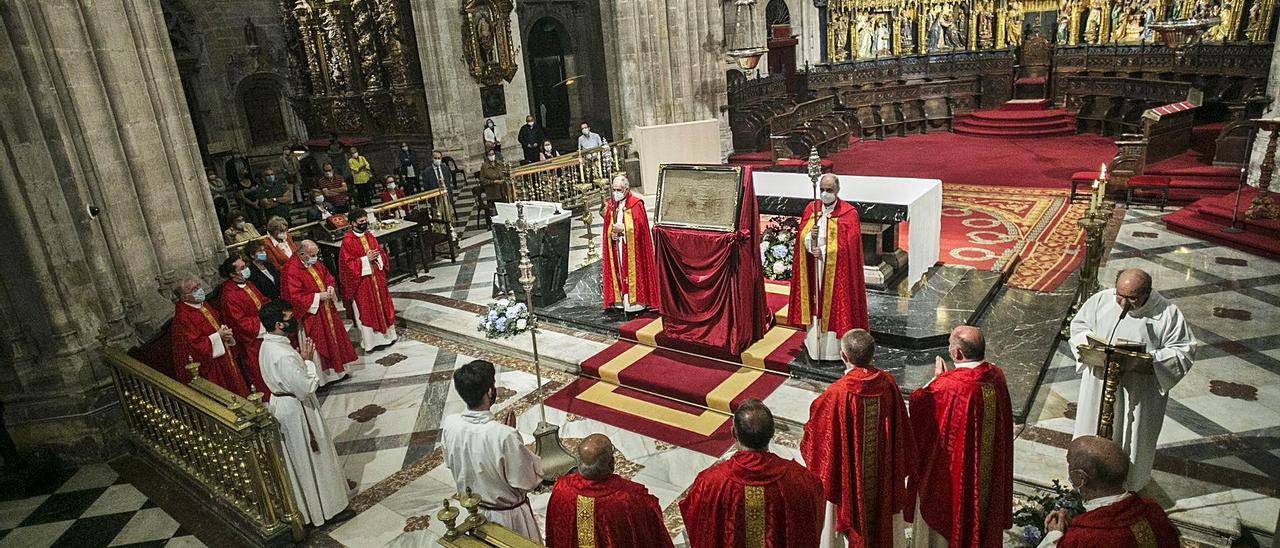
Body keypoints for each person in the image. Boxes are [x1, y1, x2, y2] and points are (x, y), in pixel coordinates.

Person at [1068, 268, 1195, 491]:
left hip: (1138, 390)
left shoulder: (1167, 313)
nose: (1123, 303)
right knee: (1092, 425)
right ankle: (1085, 477)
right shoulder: (1101, 300)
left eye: (1132, 298)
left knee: (1132, 436)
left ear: (1147, 292)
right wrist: (1088, 346)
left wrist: (1150, 359)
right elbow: (1079, 327)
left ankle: (1130, 485)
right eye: (1120, 294)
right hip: (1099, 378)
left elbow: (1183, 351)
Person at [802, 329, 913, 548]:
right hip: (883, 476)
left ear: (844, 356)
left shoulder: (836, 394)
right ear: (873, 355)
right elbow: (903, 432)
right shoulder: (888, 384)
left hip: (848, 482)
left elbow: (816, 438)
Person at [908, 326, 1013, 548]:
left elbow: (918, 403)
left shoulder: (947, 386)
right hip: (987, 474)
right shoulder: (997, 375)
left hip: (953, 482)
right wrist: (944, 379)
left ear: (957, 354)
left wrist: (937, 381)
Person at [257, 300, 353, 526]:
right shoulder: (282, 354)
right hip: (298, 410)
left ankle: (312, 508)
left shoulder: (269, 345)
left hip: (286, 406)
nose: (294, 322)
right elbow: (305, 387)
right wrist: (308, 362)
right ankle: (328, 509)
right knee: (314, 458)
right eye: (290, 319)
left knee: (300, 461)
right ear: (279, 325)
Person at [681, 400, 824, 548]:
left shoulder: (710, 483)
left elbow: (696, 521)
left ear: (733, 433)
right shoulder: (802, 480)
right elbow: (812, 525)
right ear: (772, 433)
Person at [441, 360, 543, 541]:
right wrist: (510, 436)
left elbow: (452, 463)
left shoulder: (450, 424)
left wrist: (504, 434)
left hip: (475, 511)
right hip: (510, 518)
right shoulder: (504, 436)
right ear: (490, 391)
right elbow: (528, 480)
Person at [1037, 436, 1179, 547]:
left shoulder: (1083, 538)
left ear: (1080, 478)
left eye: (1069, 462)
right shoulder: (1153, 510)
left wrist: (1054, 536)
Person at [788, 173, 869, 361]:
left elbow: (848, 247)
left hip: (834, 272)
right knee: (816, 304)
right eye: (822, 190)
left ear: (837, 190)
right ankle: (814, 346)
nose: (825, 194)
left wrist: (823, 252)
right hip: (815, 269)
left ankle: (832, 352)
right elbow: (802, 238)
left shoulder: (849, 213)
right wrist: (810, 239)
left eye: (829, 190)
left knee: (834, 306)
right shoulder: (811, 209)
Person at [545, 434, 673, 548]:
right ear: (612, 463)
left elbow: (554, 532)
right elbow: (652, 532)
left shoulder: (561, 488)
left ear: (578, 464)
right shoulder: (633, 497)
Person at [280, 240, 355, 384]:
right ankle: (323, 378)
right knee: (319, 344)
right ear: (301, 254)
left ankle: (339, 372)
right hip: (311, 315)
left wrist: (330, 287)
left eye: (316, 254)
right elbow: (293, 297)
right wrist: (317, 297)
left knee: (334, 340)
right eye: (312, 255)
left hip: (327, 310)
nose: (316, 257)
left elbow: (327, 276)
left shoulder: (313, 263)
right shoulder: (290, 270)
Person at [170, 275, 249, 396]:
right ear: (184, 296)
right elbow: (194, 345)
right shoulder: (182, 317)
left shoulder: (203, 304)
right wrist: (218, 336)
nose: (199, 291)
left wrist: (223, 332)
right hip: (212, 365)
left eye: (198, 286)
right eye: (194, 289)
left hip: (223, 354)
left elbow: (216, 323)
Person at [338, 209, 397, 352]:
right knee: (367, 309)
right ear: (353, 223)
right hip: (362, 283)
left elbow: (381, 252)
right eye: (361, 222)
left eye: (365, 221)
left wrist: (378, 256)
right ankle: (371, 342)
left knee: (383, 305)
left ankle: (388, 336)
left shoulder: (369, 236)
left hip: (376, 278)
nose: (365, 224)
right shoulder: (347, 241)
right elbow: (346, 266)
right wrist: (365, 260)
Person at [601, 175, 657, 312]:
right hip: (617, 246)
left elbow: (641, 230)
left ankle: (635, 299)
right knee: (619, 270)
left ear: (627, 189)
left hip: (631, 248)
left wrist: (624, 230)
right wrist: (611, 234)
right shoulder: (611, 206)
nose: (616, 193)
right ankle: (619, 297)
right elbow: (607, 228)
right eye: (614, 190)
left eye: (619, 190)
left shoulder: (636, 204)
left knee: (630, 271)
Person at [218, 256, 271, 399]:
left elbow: (262, 301)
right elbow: (239, 323)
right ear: (232, 274)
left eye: (245, 266)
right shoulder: (229, 296)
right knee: (261, 374)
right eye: (242, 268)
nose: (246, 269)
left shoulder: (248, 284)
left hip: (265, 334)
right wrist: (264, 320)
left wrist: (272, 309)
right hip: (252, 343)